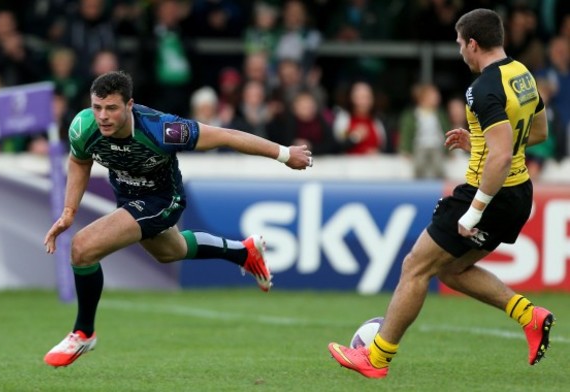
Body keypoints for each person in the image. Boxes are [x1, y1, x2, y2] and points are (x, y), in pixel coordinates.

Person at [328, 8, 555, 379]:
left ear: (473, 43)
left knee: (414, 267)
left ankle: (377, 357)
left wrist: (473, 211)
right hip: (517, 194)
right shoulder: (522, 75)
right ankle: (530, 316)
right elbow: (537, 132)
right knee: (450, 269)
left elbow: (500, 156)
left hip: (488, 193)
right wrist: (479, 141)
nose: (459, 50)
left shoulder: (481, 88)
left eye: (459, 43)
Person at [42, 70, 313, 367]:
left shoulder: (164, 129)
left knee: (83, 248)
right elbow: (80, 161)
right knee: (170, 252)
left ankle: (83, 332)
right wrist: (69, 211)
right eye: (97, 107)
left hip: (163, 200)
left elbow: (227, 136)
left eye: (112, 108)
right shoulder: (83, 126)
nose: (103, 116)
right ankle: (243, 252)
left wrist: (285, 154)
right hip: (129, 198)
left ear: (129, 105)